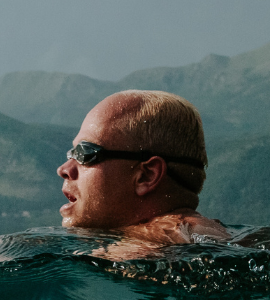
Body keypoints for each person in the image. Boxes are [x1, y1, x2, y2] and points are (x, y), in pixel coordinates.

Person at [57, 90, 230, 258]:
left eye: (86, 153)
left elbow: (199, 237)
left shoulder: (180, 235)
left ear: (147, 176)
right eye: (72, 153)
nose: (63, 169)